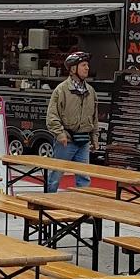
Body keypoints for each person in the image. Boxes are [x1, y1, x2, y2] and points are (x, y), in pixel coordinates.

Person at [44, 51, 99, 192]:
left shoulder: (91, 91)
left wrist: (94, 138)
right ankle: (46, 201)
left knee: (84, 178)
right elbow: (52, 115)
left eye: (87, 65)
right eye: (83, 65)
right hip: (66, 141)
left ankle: (82, 204)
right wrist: (59, 133)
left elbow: (94, 117)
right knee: (55, 176)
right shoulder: (61, 90)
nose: (87, 68)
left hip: (84, 141)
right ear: (73, 69)